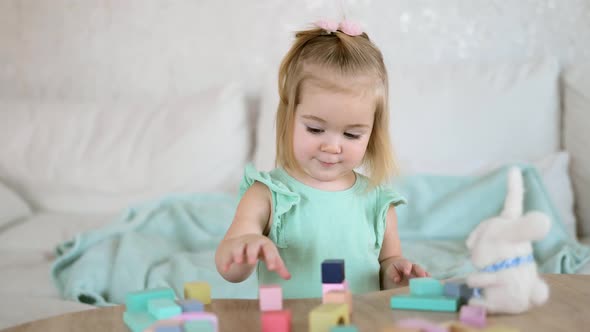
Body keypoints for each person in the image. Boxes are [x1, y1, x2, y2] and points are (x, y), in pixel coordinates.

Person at [215, 19, 429, 298]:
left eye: (352, 135)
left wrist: (396, 274)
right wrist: (244, 249)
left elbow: (385, 266)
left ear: (372, 133)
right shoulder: (267, 195)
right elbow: (229, 268)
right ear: (289, 118)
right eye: (315, 129)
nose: (332, 147)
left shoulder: (378, 202)